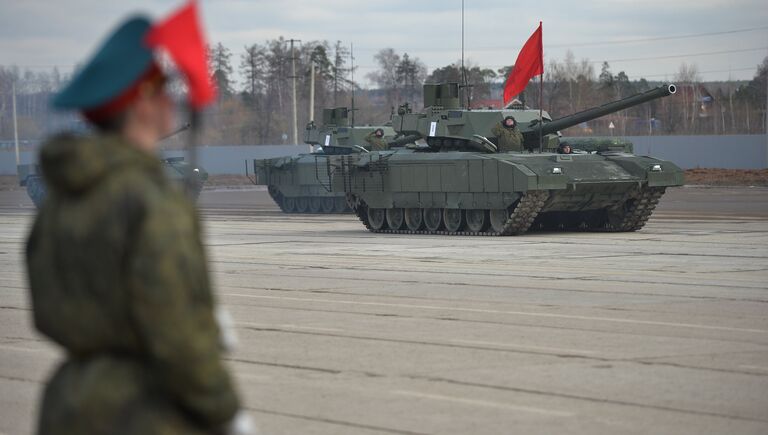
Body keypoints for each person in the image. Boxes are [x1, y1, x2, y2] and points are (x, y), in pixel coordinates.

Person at [25, 15, 250, 435]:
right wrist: (226, 411)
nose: (171, 101)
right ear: (141, 103)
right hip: (144, 411)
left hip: (67, 404)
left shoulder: (64, 197)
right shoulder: (149, 200)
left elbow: (47, 311)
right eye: (163, 90)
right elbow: (177, 337)